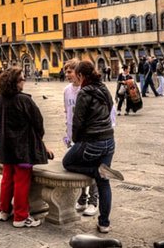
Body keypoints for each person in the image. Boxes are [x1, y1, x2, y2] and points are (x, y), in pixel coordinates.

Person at [62, 60, 124, 234]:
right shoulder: (103, 88)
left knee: (67, 163)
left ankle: (96, 171)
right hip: (109, 141)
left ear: (81, 76)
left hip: (92, 141)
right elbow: (111, 106)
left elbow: (78, 121)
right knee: (104, 182)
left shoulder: (84, 92)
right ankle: (104, 223)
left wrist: (75, 140)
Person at [0, 67, 52, 228]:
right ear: (15, 82)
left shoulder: (0, 99)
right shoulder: (24, 100)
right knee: (21, 181)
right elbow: (38, 123)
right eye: (22, 79)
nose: (24, 81)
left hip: (6, 148)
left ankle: (4, 210)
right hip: (23, 148)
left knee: (7, 179)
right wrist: (39, 138)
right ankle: (20, 216)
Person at [62, 59, 98, 216]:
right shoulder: (66, 91)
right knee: (79, 165)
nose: (67, 75)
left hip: (89, 135)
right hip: (74, 135)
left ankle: (93, 200)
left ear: (78, 73)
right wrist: (68, 134)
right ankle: (82, 198)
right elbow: (67, 112)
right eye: (66, 72)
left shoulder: (89, 90)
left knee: (93, 164)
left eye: (69, 71)